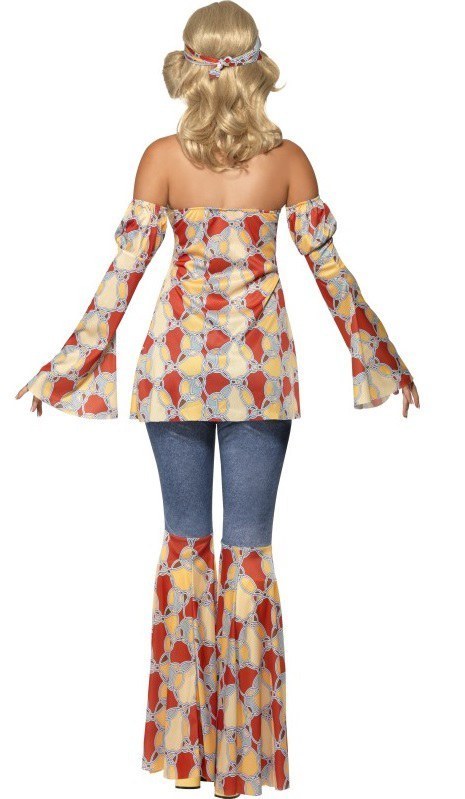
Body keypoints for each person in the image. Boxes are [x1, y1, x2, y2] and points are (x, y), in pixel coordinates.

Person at [15, 2, 420, 797]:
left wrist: (67, 363)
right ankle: (241, 761)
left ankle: (186, 753)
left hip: (174, 372)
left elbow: (122, 278)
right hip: (259, 373)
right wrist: (380, 356)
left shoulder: (161, 159)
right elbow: (331, 275)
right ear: (256, 68)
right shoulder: (288, 161)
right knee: (246, 556)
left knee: (185, 550)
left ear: (188, 67)